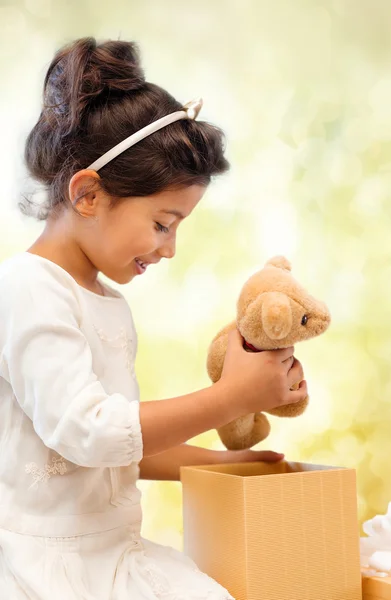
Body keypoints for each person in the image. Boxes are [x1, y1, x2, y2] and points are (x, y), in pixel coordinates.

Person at [0, 37, 307, 599]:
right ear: (88, 194)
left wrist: (225, 461)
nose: (169, 249)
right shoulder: (27, 288)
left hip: (114, 555)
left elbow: (120, 449)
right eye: (163, 223)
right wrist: (232, 398)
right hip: (47, 567)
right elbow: (88, 432)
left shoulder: (108, 301)